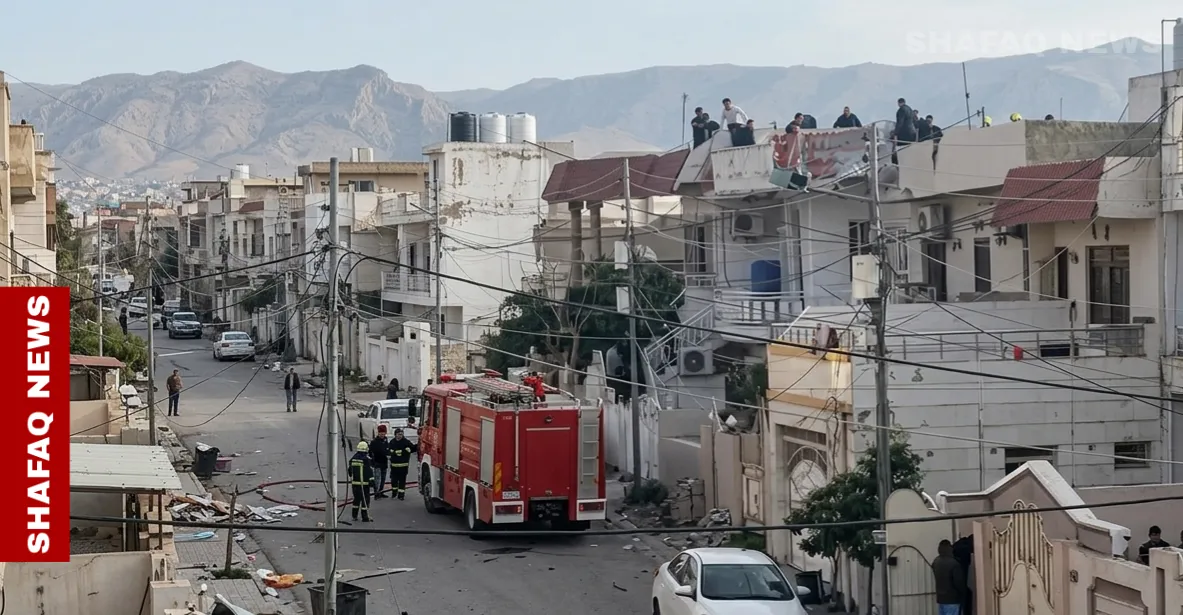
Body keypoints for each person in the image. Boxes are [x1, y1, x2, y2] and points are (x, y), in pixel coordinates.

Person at [932, 539, 966, 614]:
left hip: (941, 599)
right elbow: (959, 583)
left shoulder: (936, 561)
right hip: (953, 599)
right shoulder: (954, 564)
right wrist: (964, 593)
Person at [388, 428, 418, 500]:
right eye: (398, 434)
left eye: (401, 434)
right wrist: (396, 452)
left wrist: (418, 444)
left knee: (402, 481)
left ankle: (401, 495)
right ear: (395, 435)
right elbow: (388, 451)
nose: (400, 436)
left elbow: (413, 448)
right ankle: (394, 492)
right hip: (394, 466)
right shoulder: (392, 442)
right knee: (394, 480)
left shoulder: (406, 442)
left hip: (403, 466)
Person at [349, 440, 374, 521]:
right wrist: (372, 481)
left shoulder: (353, 458)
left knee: (356, 500)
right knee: (365, 500)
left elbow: (350, 470)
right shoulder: (366, 459)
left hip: (355, 483)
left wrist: (351, 476)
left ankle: (354, 515)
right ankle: (365, 517)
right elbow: (369, 471)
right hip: (364, 484)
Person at [368, 425, 391, 498]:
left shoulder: (386, 441)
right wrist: (372, 462)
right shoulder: (374, 442)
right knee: (377, 479)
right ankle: (376, 493)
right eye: (381, 433)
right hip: (377, 463)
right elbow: (370, 452)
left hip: (384, 463)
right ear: (378, 433)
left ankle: (381, 492)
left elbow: (388, 450)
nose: (382, 435)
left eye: (383, 433)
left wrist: (389, 454)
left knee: (383, 479)